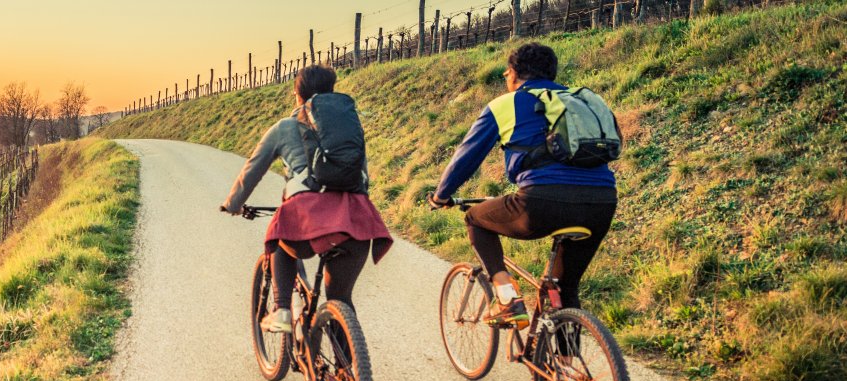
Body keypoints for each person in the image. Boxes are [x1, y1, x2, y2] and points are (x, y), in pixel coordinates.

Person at [430, 43, 619, 329]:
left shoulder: (506, 104)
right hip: (602, 203)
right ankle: (565, 370)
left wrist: (441, 195)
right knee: (564, 288)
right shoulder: (579, 102)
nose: (507, 78)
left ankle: (507, 298)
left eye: (507, 73)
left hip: (541, 202)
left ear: (514, 73)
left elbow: (466, 158)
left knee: (475, 219)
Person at [222, 65, 393, 333]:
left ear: (297, 96)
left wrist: (232, 204)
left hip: (308, 216)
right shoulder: (348, 127)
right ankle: (347, 371)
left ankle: (281, 310)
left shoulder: (285, 127)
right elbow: (361, 173)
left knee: (278, 241)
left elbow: (252, 169)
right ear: (330, 92)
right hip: (356, 217)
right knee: (340, 298)